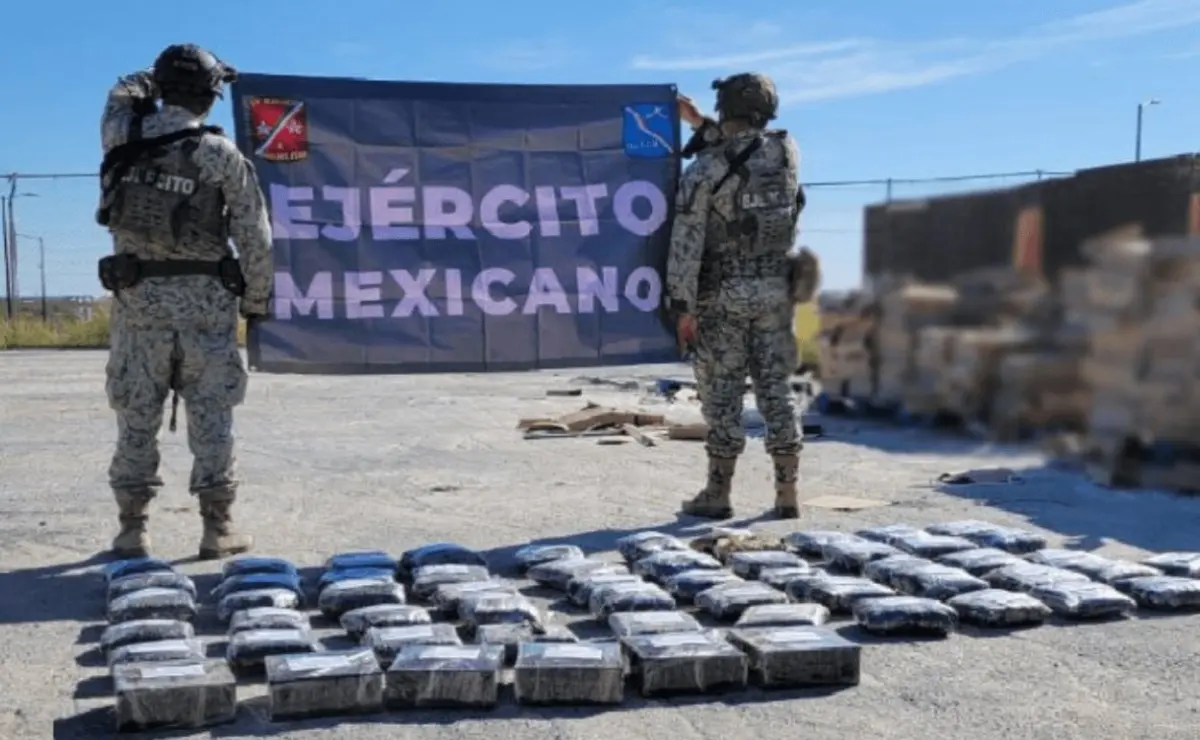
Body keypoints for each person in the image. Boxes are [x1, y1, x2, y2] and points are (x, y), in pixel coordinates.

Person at [98, 44, 273, 559]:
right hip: (207, 309)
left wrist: (148, 78)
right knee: (212, 416)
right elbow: (254, 237)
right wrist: (256, 301)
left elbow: (122, 92)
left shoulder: (120, 132)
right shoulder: (221, 155)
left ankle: (133, 529)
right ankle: (217, 528)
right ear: (211, 96)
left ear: (161, 85)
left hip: (138, 305)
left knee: (135, 415)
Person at [665, 73, 804, 520]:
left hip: (723, 293)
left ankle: (718, 492)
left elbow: (686, 241)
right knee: (777, 390)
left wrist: (682, 308)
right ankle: (787, 493)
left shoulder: (702, 171)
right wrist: (699, 124)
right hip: (775, 289)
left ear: (724, 110)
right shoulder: (788, 153)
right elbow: (745, 149)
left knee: (722, 392)